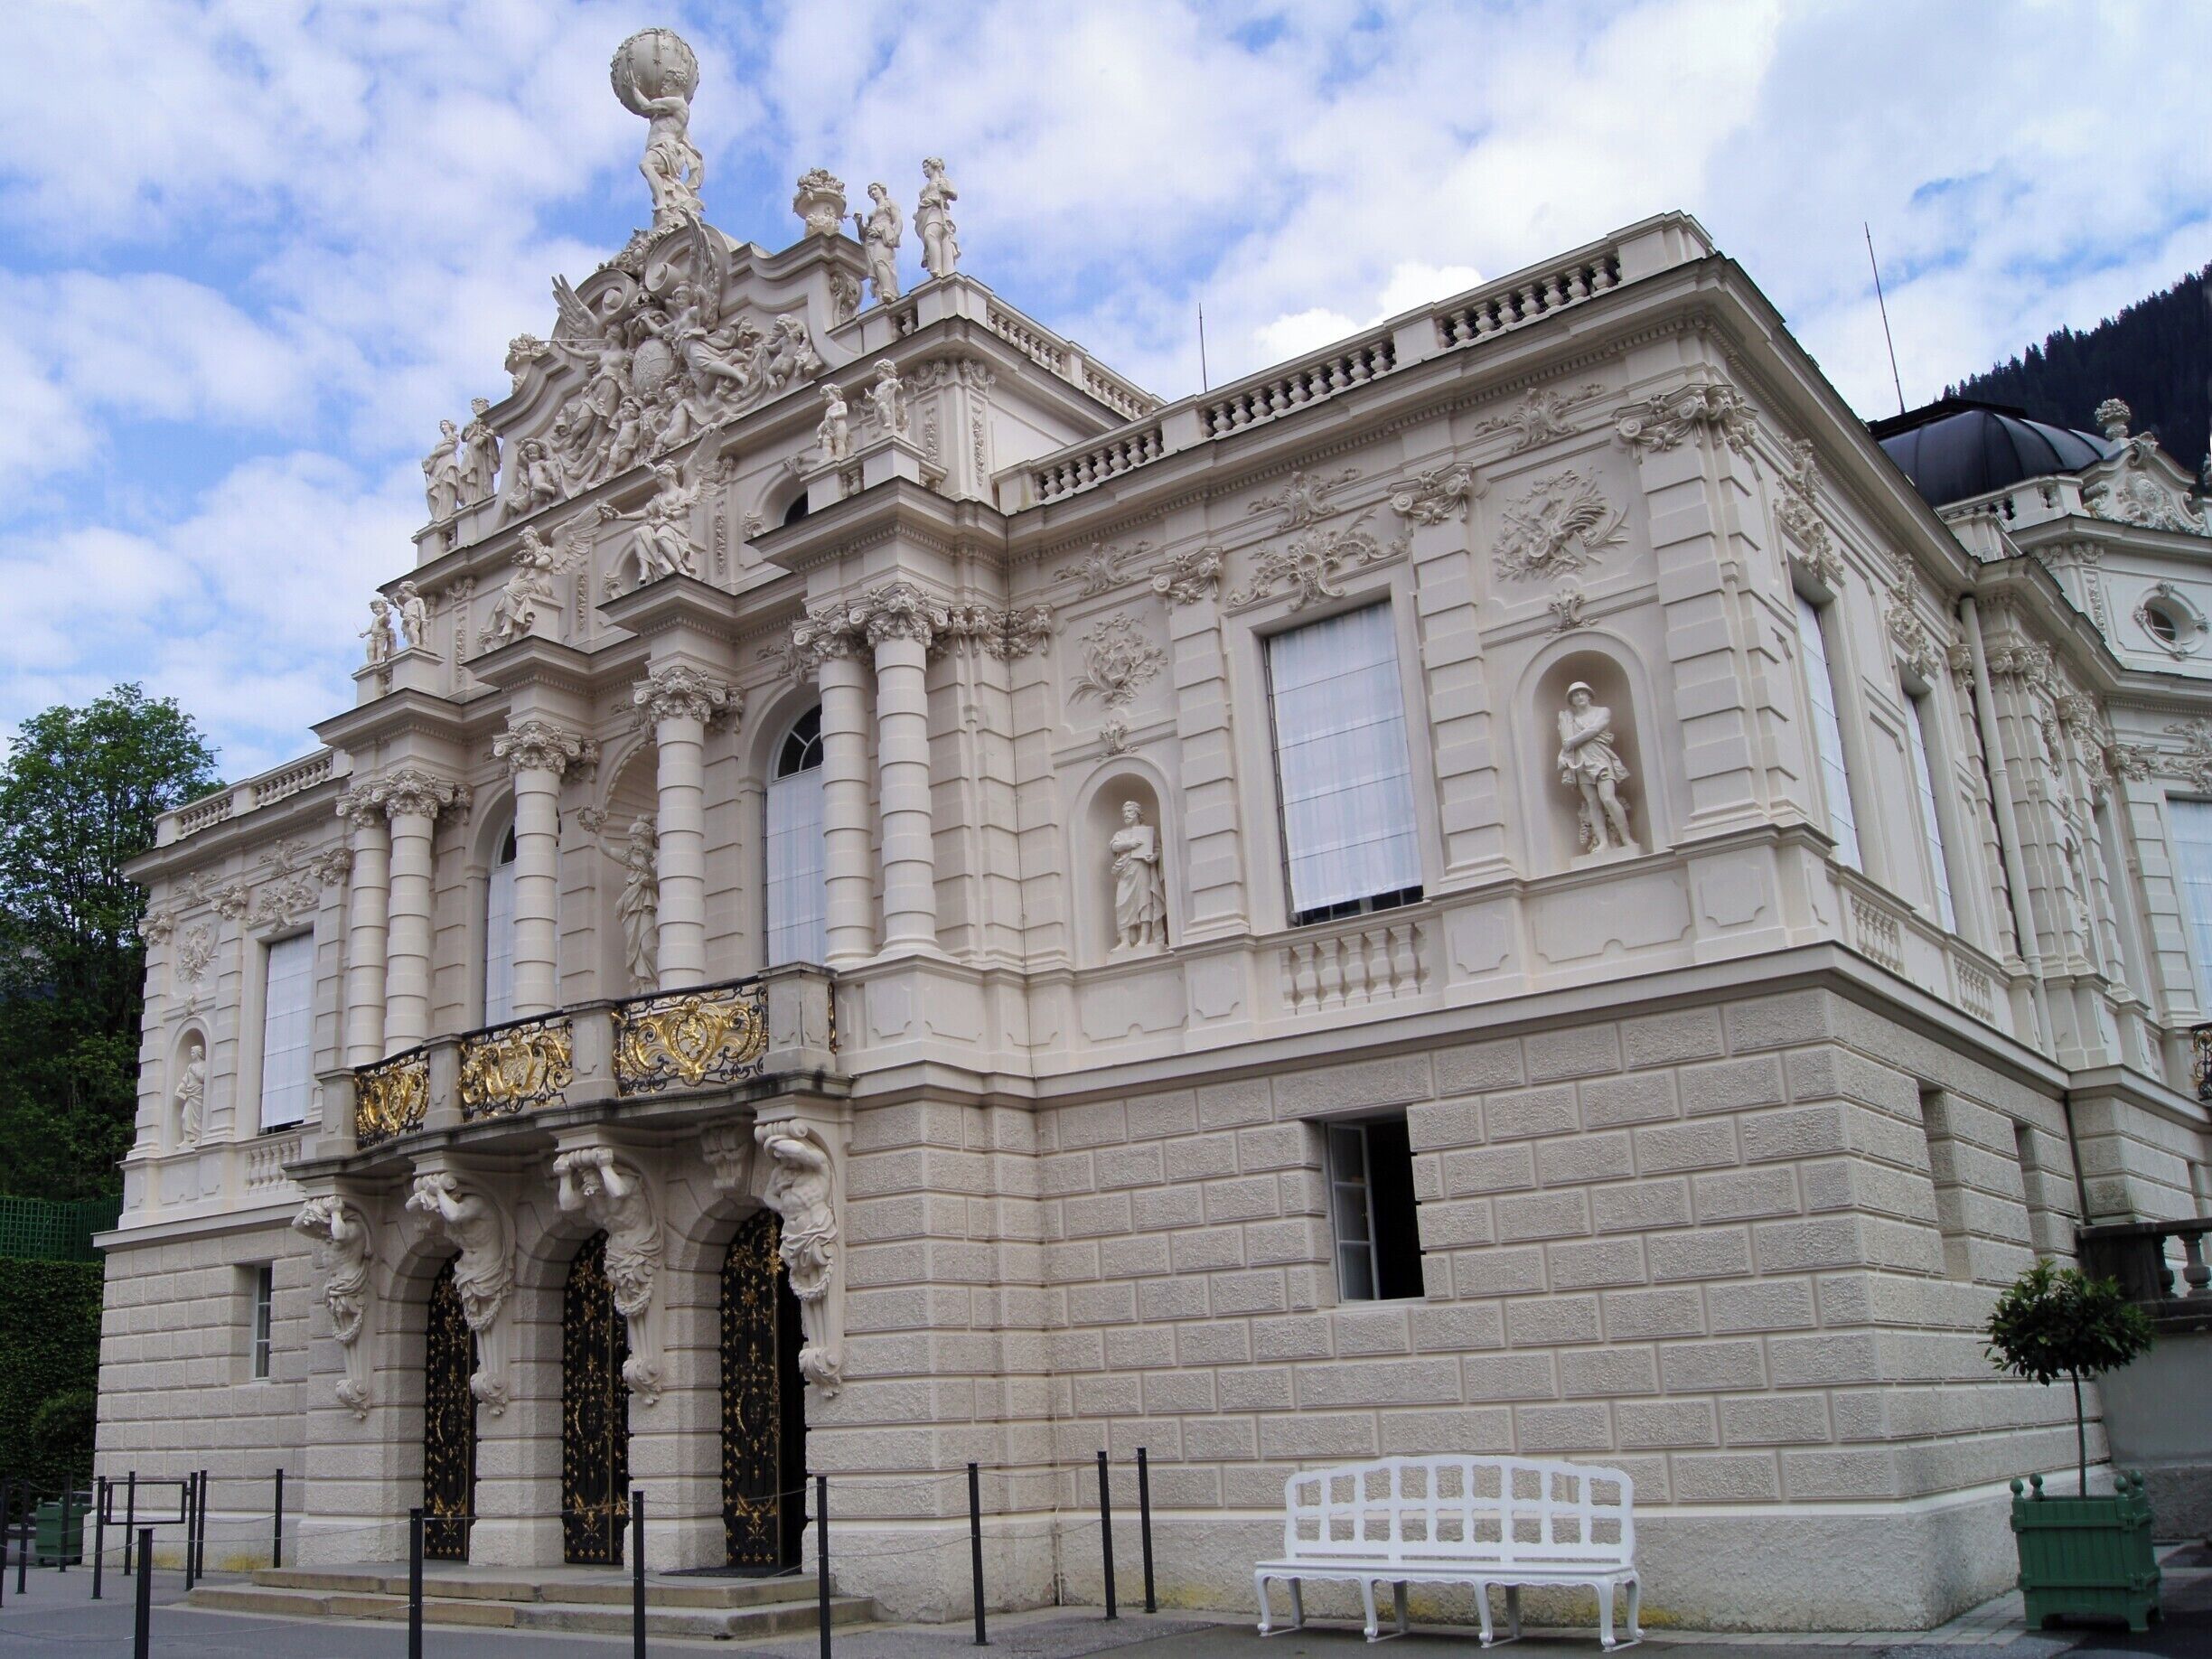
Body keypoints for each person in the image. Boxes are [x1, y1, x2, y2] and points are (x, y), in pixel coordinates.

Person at [1557, 681, 1635, 851]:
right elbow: (1565, 744)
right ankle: (1603, 842)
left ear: (1589, 695)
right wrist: (1563, 756)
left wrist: (1572, 741)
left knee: (1608, 798)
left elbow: (1595, 729)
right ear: (1572, 700)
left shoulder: (1602, 711)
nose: (1580, 697)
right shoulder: (1570, 720)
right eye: (1575, 695)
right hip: (1580, 762)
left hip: (1600, 759)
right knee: (1592, 802)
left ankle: (1626, 838)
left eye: (1582, 693)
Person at [1110, 800, 1167, 949]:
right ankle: (1125, 941)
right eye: (1124, 813)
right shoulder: (1121, 834)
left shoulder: (1148, 831)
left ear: (1137, 813)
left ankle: (1144, 938)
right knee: (1121, 903)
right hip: (1125, 871)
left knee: (1144, 902)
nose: (1126, 815)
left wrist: (1152, 857)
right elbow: (1114, 846)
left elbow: (1157, 850)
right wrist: (1130, 844)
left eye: (1129, 812)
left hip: (1142, 869)